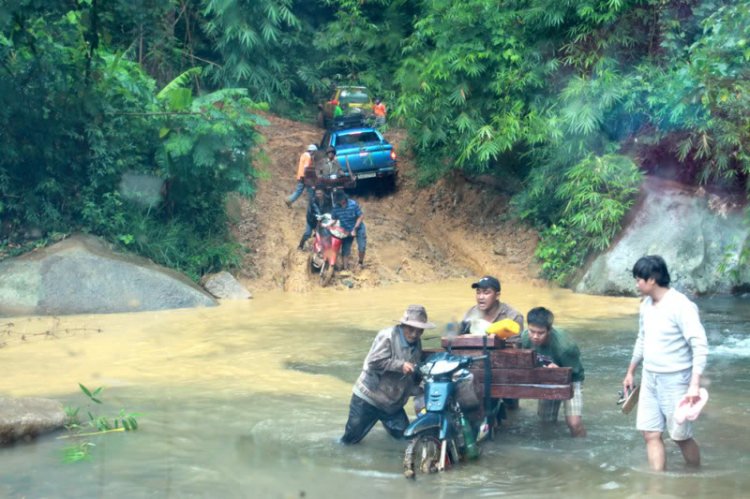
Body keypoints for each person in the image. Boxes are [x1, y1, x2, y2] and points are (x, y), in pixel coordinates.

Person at [623, 255, 709, 471]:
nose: (636, 284)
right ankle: (658, 485)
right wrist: (631, 371)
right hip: (650, 377)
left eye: (638, 280)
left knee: (680, 437)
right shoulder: (646, 305)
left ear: (652, 279)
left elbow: (700, 345)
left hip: (677, 378)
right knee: (650, 434)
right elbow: (642, 338)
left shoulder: (681, 305)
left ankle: (695, 473)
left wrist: (694, 384)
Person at [341, 305, 435, 444]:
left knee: (406, 439)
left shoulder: (417, 344)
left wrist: (420, 386)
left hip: (391, 404)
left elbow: (410, 374)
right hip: (367, 399)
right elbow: (373, 362)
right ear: (403, 324)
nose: (414, 334)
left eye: (419, 330)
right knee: (349, 442)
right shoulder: (388, 335)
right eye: (411, 329)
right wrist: (400, 365)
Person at [521, 307, 586, 437]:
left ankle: (581, 450)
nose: (535, 336)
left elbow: (576, 372)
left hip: (571, 378)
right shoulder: (525, 338)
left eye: (540, 333)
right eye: (532, 331)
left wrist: (560, 371)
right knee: (545, 422)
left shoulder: (565, 347)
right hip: (547, 377)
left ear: (549, 330)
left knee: (574, 424)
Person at [331, 190, 366, 270]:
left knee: (362, 247)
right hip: (346, 230)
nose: (339, 201)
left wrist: (355, 229)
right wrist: (327, 224)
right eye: (337, 200)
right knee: (345, 249)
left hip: (358, 228)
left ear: (344, 198)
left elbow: (360, 217)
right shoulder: (336, 207)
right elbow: (334, 219)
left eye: (340, 199)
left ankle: (360, 263)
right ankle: (345, 268)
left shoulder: (353, 204)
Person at [297, 186, 333, 251]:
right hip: (311, 220)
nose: (318, 195)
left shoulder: (328, 199)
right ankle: (300, 245)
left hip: (323, 219)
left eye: (320, 193)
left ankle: (321, 249)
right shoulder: (312, 200)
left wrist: (327, 217)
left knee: (324, 234)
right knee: (307, 233)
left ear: (324, 193)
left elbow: (330, 210)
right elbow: (311, 211)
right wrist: (318, 216)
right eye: (317, 193)